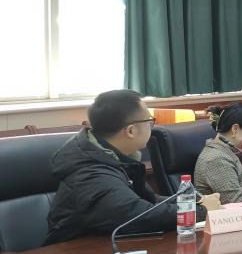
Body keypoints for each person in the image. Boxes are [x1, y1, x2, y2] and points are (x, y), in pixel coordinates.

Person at [45, 89, 195, 244]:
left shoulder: (114, 157)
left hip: (113, 247)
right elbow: (139, 216)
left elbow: (150, 200)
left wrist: (195, 201)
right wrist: (200, 211)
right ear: (131, 130)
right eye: (149, 121)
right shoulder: (90, 173)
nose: (151, 126)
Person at [195, 102, 242, 205]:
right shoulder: (217, 159)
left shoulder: (225, 151)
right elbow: (236, 204)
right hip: (230, 213)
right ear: (235, 129)